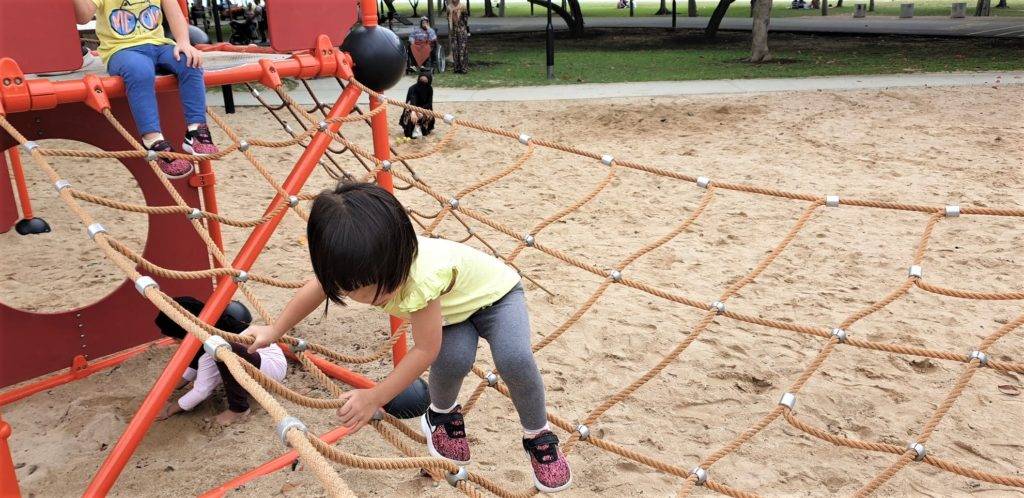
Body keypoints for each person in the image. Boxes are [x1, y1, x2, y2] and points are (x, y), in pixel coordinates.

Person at [243, 182, 573, 493]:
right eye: (372, 290)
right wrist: (274, 331)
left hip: (498, 296)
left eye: (391, 281)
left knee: (514, 358)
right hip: (452, 311)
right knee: (455, 358)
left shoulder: (418, 280)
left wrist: (374, 396)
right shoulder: (348, 269)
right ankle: (441, 416)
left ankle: (538, 434)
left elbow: (424, 350)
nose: (389, 293)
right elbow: (316, 289)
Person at [72, 0, 217, 179]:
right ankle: (153, 139)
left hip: (159, 45)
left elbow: (175, 13)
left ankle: (195, 130)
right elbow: (83, 17)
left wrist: (183, 42)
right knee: (140, 71)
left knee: (190, 62)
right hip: (122, 50)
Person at [153, 297, 287, 425]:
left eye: (176, 339)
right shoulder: (211, 328)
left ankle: (238, 409)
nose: (176, 343)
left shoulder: (213, 345)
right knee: (221, 353)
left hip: (270, 371)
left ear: (186, 333)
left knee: (223, 351)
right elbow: (189, 371)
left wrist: (170, 410)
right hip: (257, 364)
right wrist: (162, 393)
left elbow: (202, 390)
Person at [400, 71, 435, 139]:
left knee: (428, 115)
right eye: (421, 80)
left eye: (425, 81)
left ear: (429, 81)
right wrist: (414, 111)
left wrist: (421, 111)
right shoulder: (412, 88)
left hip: (423, 108)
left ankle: (422, 129)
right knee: (411, 117)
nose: (423, 82)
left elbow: (429, 103)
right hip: (412, 108)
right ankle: (410, 131)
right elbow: (411, 101)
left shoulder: (430, 89)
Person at [446, 0, 469, 74]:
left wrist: (458, 15)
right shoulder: (449, 7)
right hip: (453, 31)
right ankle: (456, 68)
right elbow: (447, 18)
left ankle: (464, 68)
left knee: (462, 49)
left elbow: (466, 19)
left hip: (462, 30)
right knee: (455, 49)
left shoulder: (463, 7)